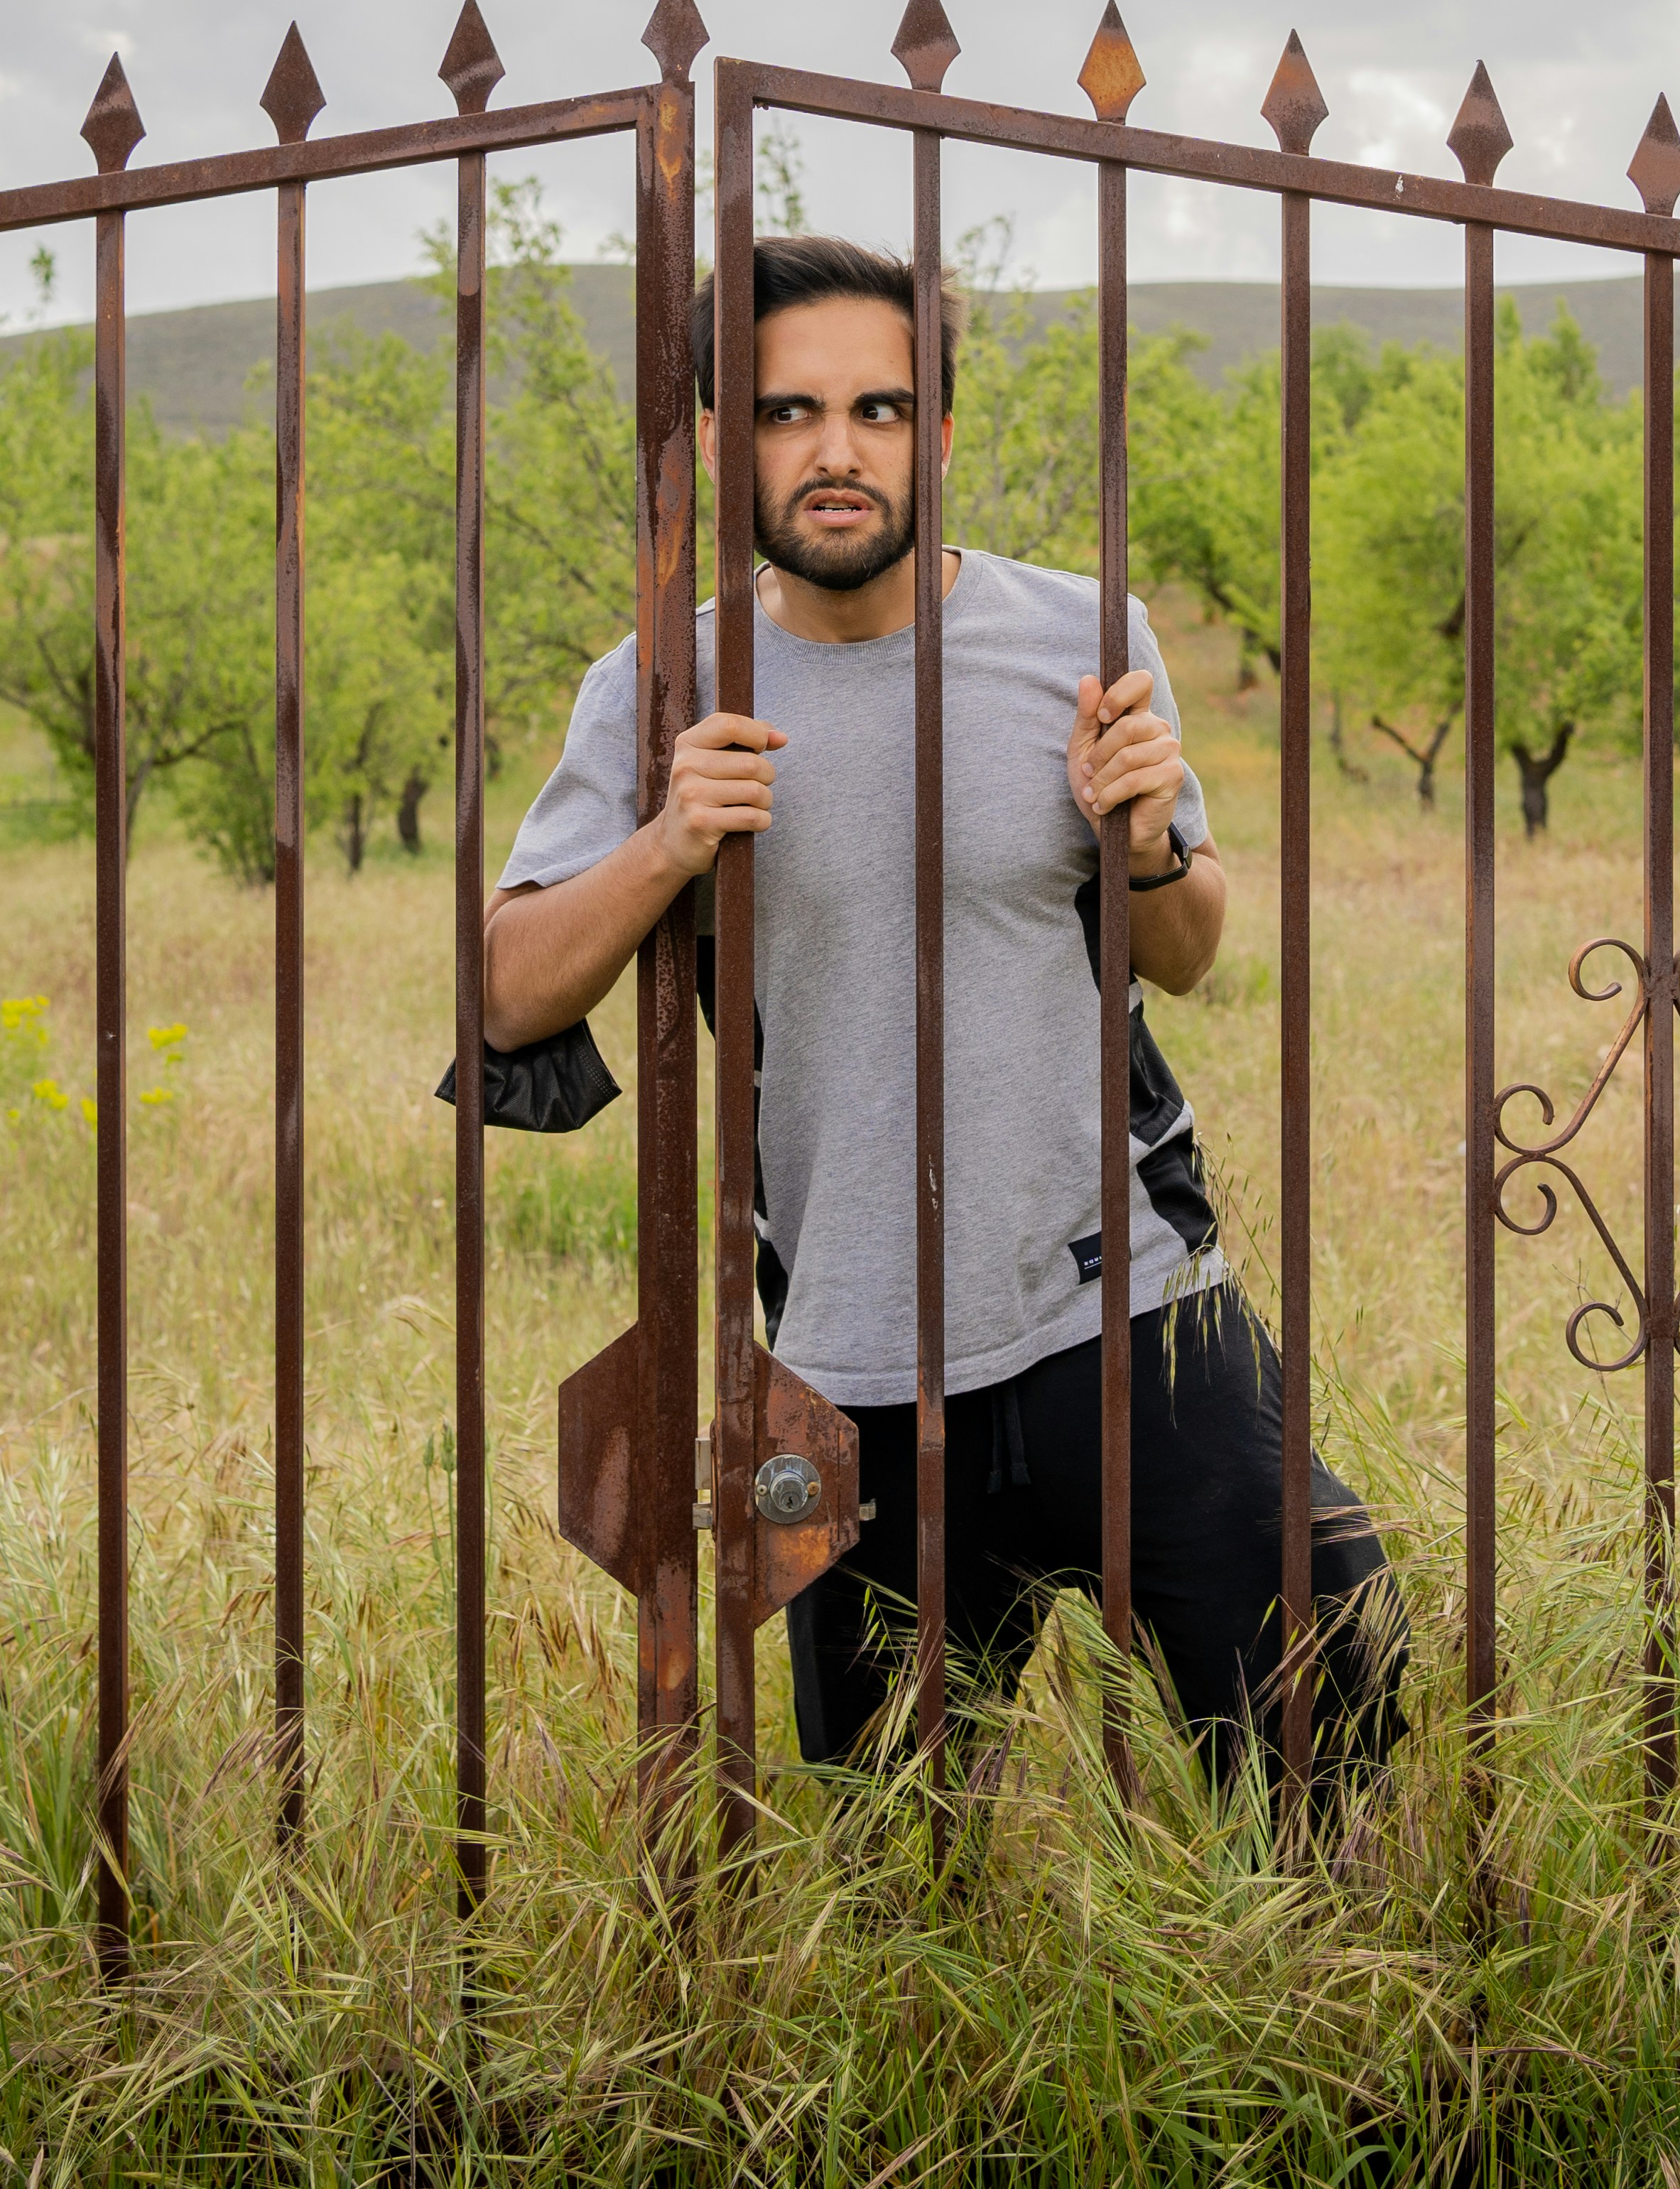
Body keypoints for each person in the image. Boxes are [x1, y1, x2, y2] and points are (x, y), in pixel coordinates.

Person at [479, 234, 1404, 1805]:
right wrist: (666, 846)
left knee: (1337, 1704)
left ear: (943, 436)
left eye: (881, 409)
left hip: (1124, 1309)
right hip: (844, 1357)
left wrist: (1153, 843)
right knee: (897, 1845)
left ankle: (1320, 2017)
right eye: (786, 412)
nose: (836, 450)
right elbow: (506, 988)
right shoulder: (656, 683)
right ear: (717, 439)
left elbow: (1184, 949)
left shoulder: (1083, 636)